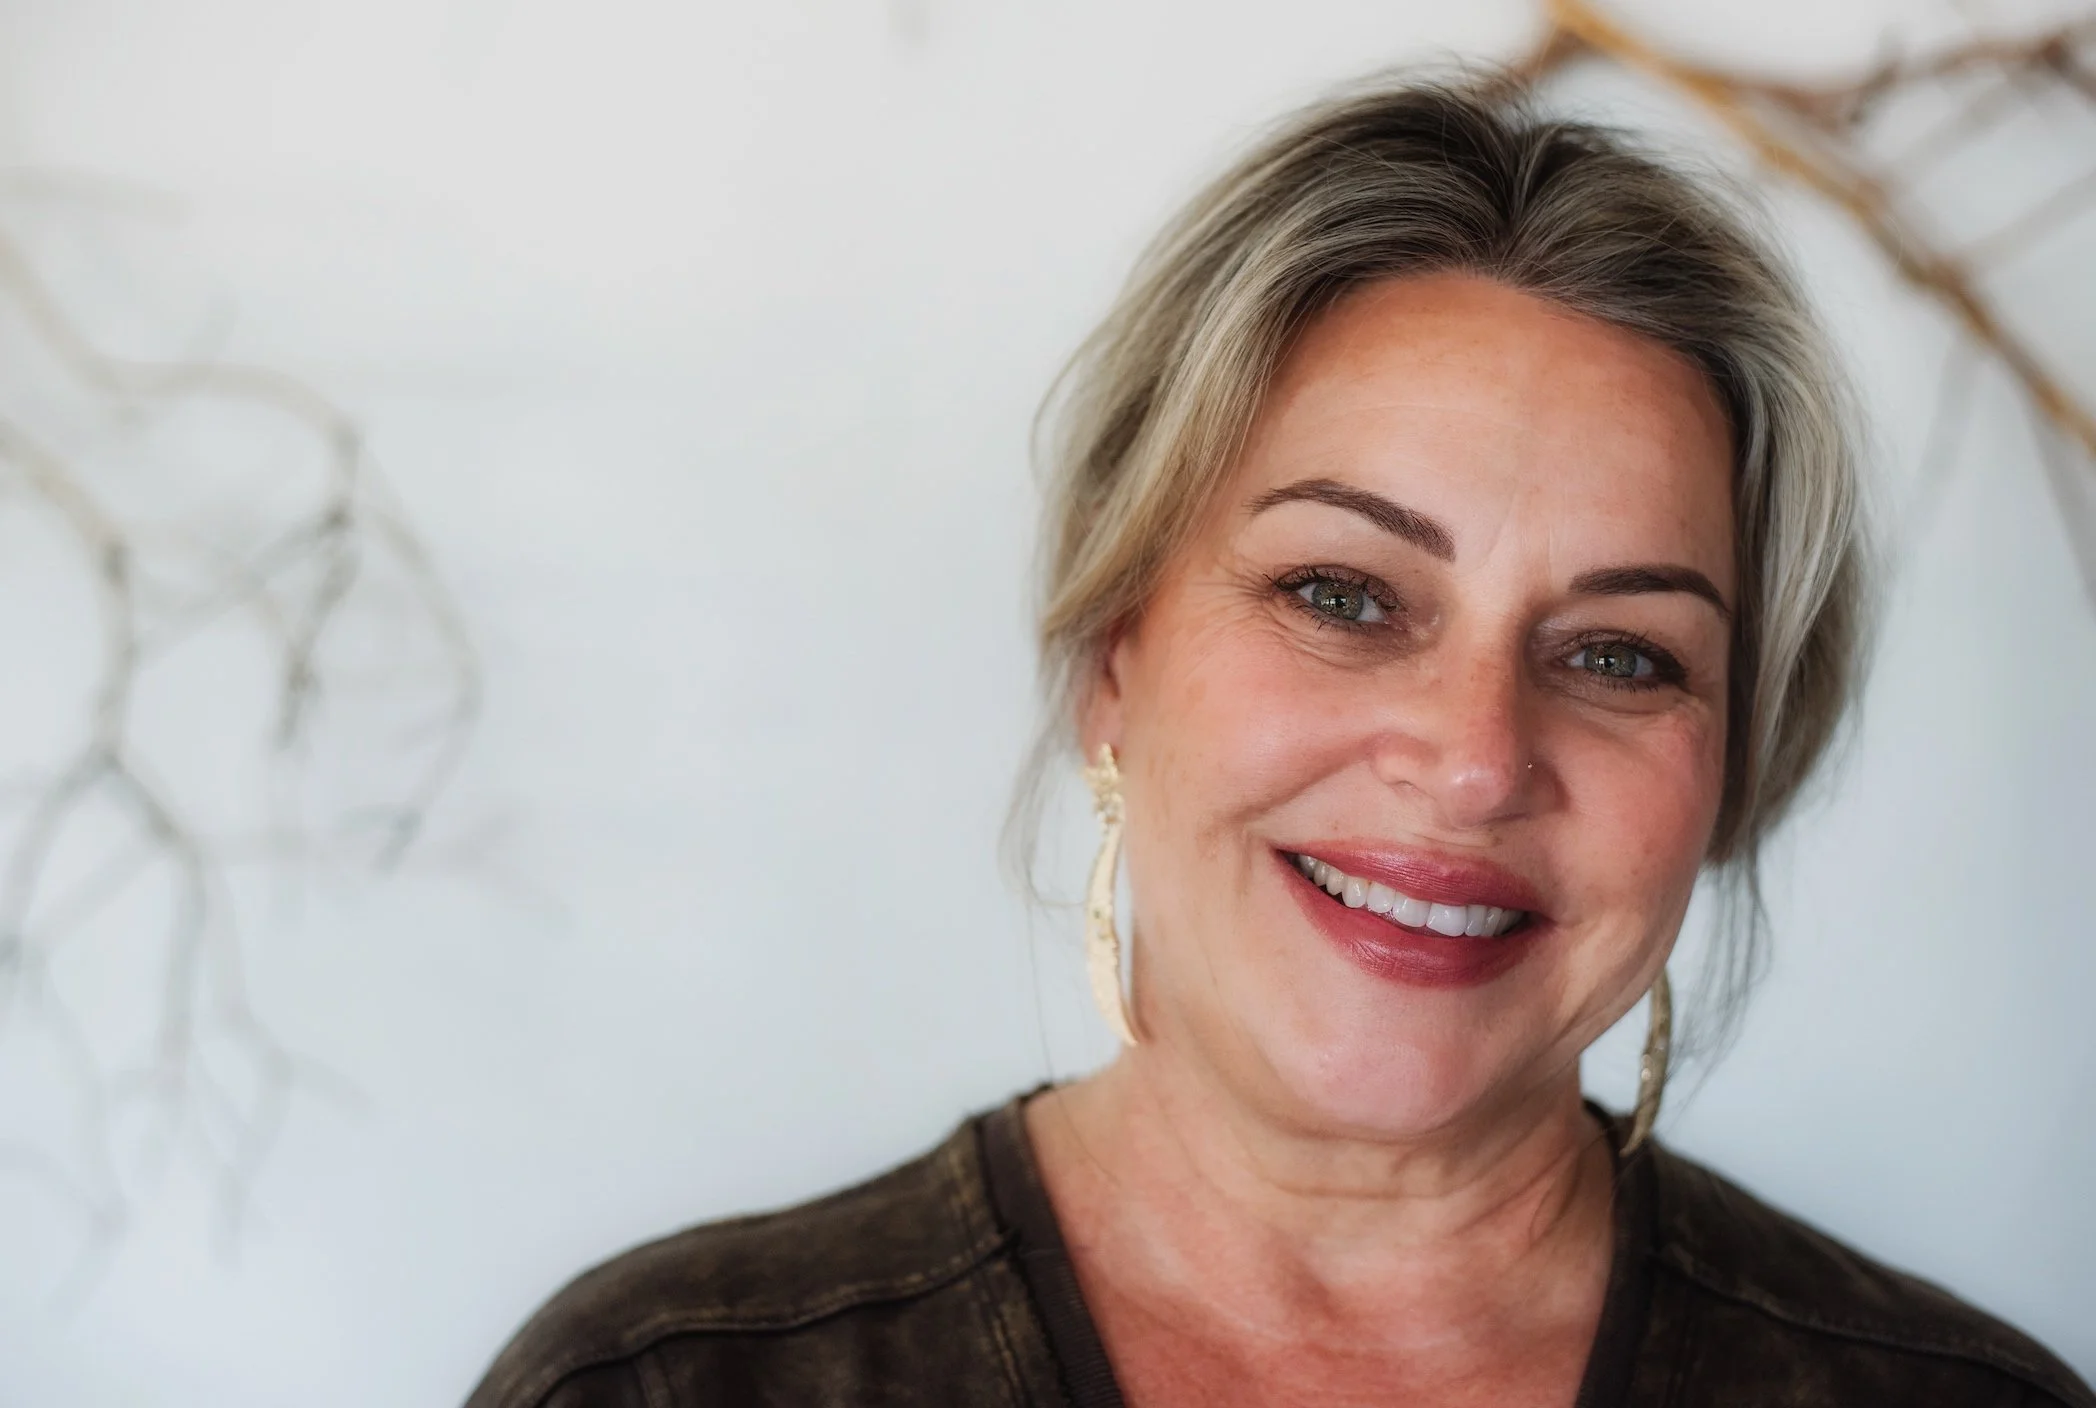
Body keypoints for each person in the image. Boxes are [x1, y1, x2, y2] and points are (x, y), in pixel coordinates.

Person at [466, 75, 2094, 1407]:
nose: (1472, 759)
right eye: (1345, 593)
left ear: (1735, 766)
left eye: (1617, 652)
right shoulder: (664, 1390)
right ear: (1119, 651)